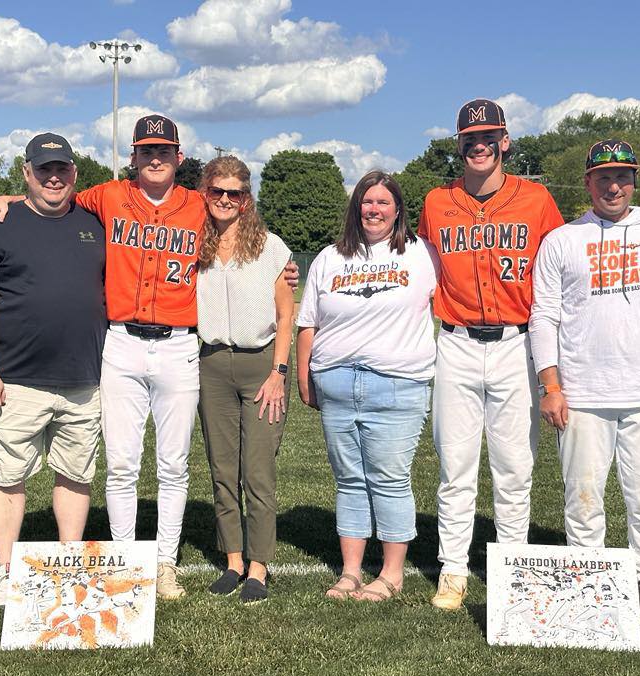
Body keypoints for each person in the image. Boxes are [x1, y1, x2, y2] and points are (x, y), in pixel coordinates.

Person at [0, 114, 299, 601]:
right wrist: (10, 200)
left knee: (173, 464)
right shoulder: (105, 195)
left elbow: (242, 223)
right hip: (120, 342)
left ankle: (164, 563)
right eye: (146, 150)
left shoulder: (199, 204)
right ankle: (124, 559)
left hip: (179, 346)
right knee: (122, 463)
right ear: (133, 156)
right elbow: (51, 195)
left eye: (163, 151)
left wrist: (283, 267)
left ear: (178, 158)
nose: (154, 158)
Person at [529, 139, 640, 619]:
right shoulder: (563, 240)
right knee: (582, 498)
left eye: (621, 176)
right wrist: (552, 386)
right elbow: (544, 318)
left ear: (635, 179)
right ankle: (588, 576)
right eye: (603, 177)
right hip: (582, 393)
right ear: (587, 182)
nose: (613, 185)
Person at [417, 99, 565, 610]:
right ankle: (453, 570)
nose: (478, 146)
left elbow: (562, 269)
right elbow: (417, 265)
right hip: (455, 341)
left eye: (488, 137)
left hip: (517, 343)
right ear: (457, 144)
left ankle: (514, 567)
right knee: (455, 466)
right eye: (469, 139)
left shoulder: (538, 198)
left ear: (504, 141)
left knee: (514, 467)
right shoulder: (437, 201)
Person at [0, 133, 106, 608]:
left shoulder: (94, 222)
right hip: (15, 380)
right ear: (26, 173)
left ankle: (68, 564)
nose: (54, 176)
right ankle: (5, 570)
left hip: (85, 378)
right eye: (44, 169)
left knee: (76, 474)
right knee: (7, 475)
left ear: (75, 174)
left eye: (62, 168)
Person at [297, 171, 439, 601]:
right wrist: (305, 376)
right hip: (337, 381)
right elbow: (309, 322)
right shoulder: (329, 258)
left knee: (390, 479)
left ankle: (392, 575)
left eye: (383, 202)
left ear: (398, 209)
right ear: (356, 207)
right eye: (366, 201)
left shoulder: (421, 254)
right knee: (350, 481)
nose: (374, 209)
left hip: (396, 383)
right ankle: (351, 571)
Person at [196, 156, 294, 604]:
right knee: (221, 468)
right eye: (217, 191)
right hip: (211, 364)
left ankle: (259, 566)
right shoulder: (192, 245)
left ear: (246, 199)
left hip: (261, 367)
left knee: (257, 471)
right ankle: (233, 560)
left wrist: (279, 372)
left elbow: (285, 315)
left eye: (234, 192)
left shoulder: (271, 247)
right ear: (205, 193)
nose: (225, 200)